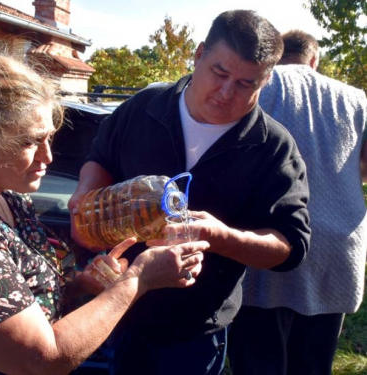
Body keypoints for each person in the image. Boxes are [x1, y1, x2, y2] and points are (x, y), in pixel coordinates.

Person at [0, 53, 207, 375]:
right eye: (32, 141)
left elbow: (19, 296)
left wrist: (78, 285)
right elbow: (43, 362)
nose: (48, 156)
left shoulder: (7, 199)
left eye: (49, 138)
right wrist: (139, 279)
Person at [68, 10, 312, 375]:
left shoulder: (273, 147)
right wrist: (86, 193)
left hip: (197, 331)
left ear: (266, 79)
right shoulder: (144, 107)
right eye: (220, 73)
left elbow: (290, 247)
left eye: (246, 84)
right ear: (199, 56)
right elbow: (99, 157)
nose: (227, 92)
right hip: (121, 310)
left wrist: (219, 236)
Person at [228, 30, 367, 375]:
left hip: (269, 241)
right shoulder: (356, 99)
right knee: (314, 362)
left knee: (259, 360)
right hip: (336, 248)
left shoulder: (257, 86)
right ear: (314, 60)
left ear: (275, 55)